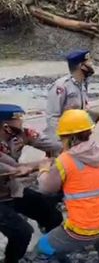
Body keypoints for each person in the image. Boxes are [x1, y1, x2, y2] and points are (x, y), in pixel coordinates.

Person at [36, 109, 99, 263]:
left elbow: (46, 188)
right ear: (89, 131)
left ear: (66, 137)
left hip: (83, 230)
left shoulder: (65, 161)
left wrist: (43, 168)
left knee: (42, 247)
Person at [0, 104, 63, 263]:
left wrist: (70, 151)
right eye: (16, 120)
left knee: (52, 214)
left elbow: (56, 147)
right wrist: (42, 165)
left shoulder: (21, 134)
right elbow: (15, 170)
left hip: (13, 190)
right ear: (4, 124)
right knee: (22, 233)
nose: (21, 123)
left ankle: (48, 250)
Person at [44, 49, 99, 153]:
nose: (92, 64)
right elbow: (52, 117)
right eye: (89, 62)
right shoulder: (61, 86)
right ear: (82, 66)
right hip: (63, 139)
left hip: (77, 135)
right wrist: (61, 143)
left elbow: (81, 111)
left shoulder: (82, 84)